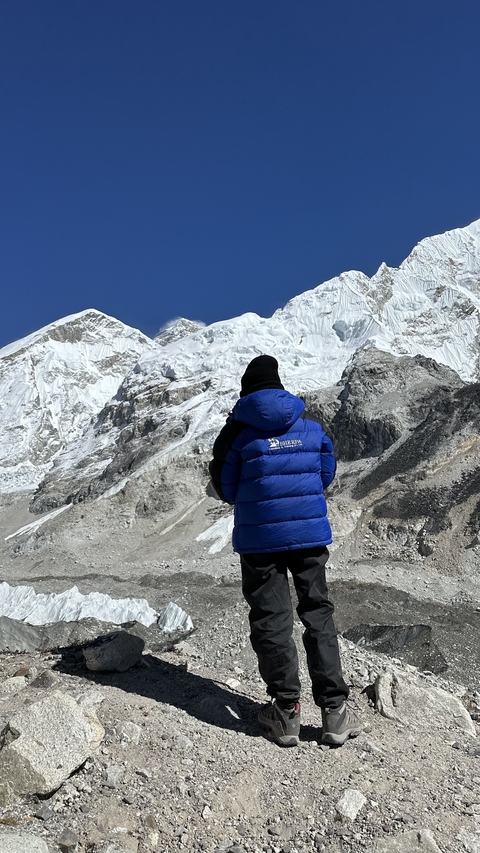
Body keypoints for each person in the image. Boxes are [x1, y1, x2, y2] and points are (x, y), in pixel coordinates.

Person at [208, 354, 362, 747]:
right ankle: (335, 713)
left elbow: (224, 488)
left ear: (247, 394)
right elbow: (325, 475)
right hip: (309, 537)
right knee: (317, 614)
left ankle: (286, 711)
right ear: (281, 387)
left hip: (260, 544)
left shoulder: (237, 434)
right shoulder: (312, 429)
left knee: (271, 619)